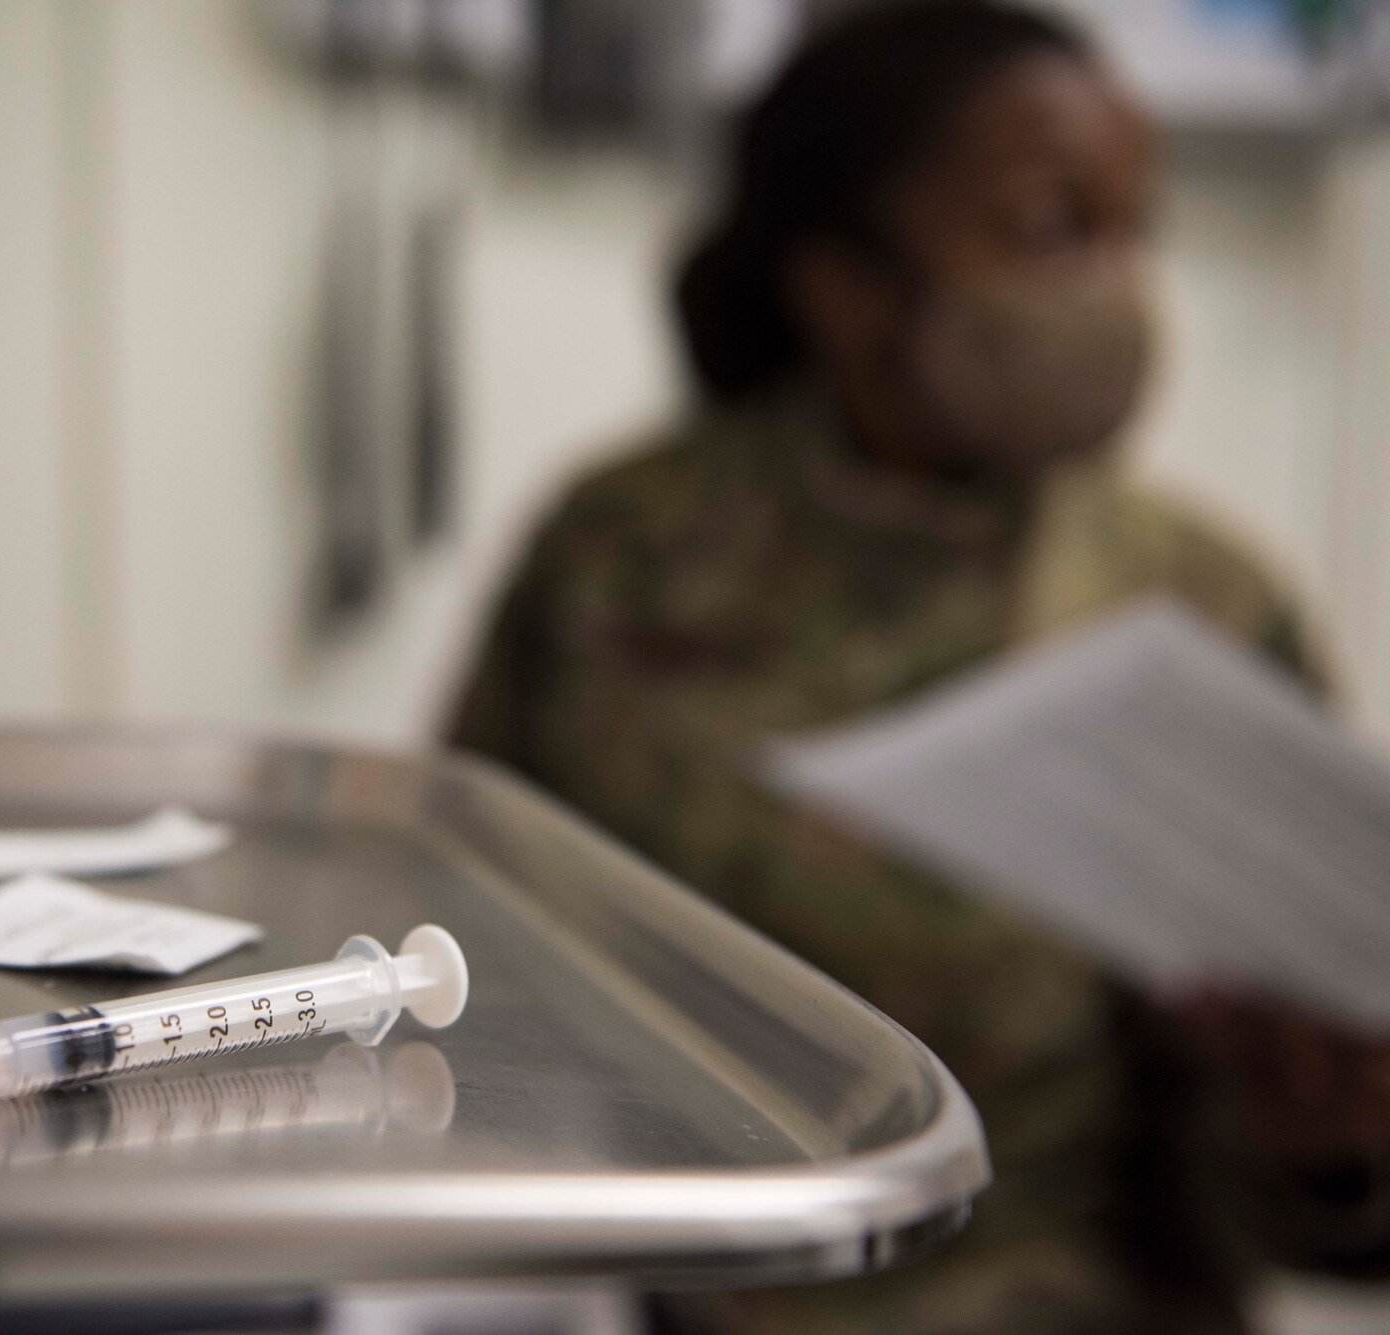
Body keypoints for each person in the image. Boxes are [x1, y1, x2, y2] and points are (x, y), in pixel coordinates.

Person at [450, 3, 1390, 1330]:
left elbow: (1302, 1194)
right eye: (1057, 226)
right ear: (844, 285)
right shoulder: (625, 553)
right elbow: (464, 952)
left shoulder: (1192, 604)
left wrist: (1330, 1142)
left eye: (1139, 227)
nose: (1120, 283)